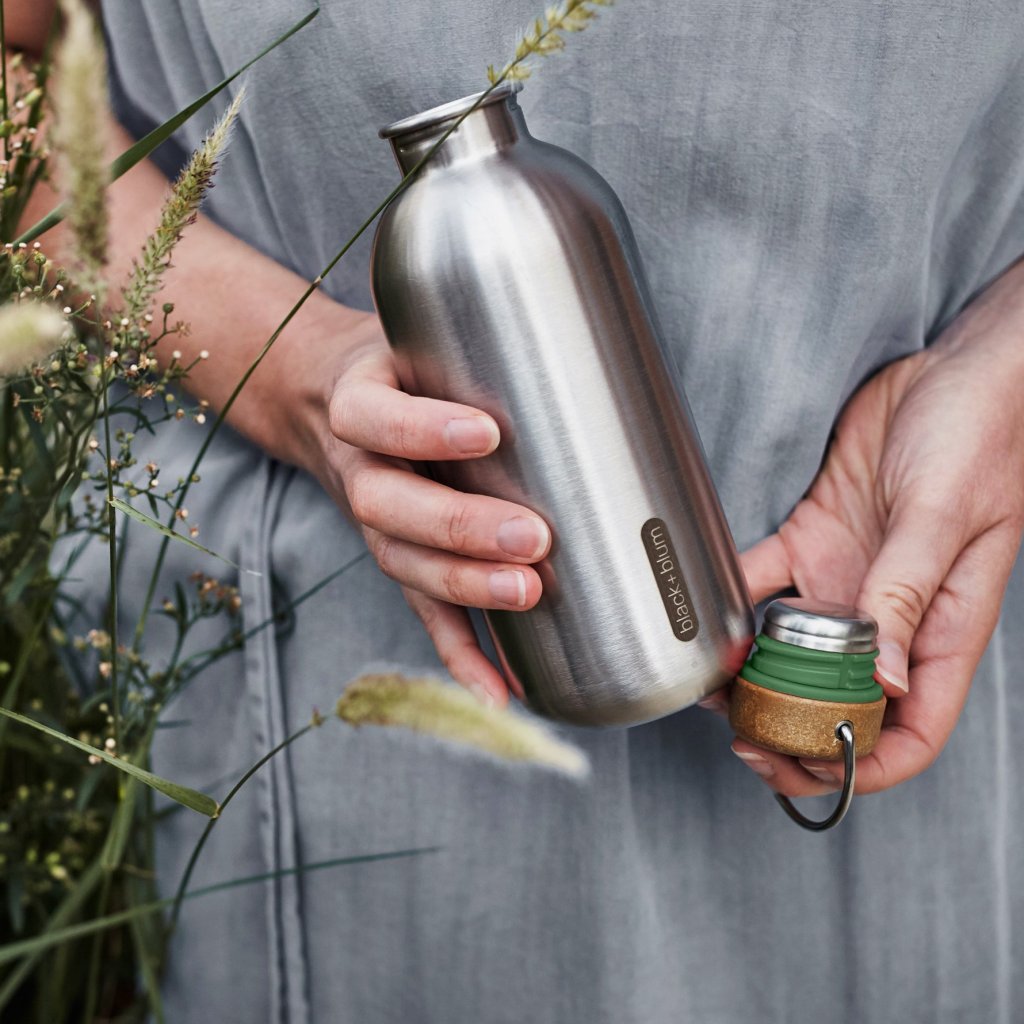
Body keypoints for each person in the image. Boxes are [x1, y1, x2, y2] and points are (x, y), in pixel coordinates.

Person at [14, 0, 1024, 1020]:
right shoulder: (458, 226)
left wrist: (1007, 372)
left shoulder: (546, 198)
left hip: (919, 589)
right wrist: (294, 374)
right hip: (357, 674)